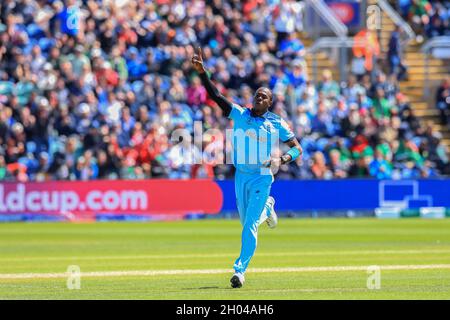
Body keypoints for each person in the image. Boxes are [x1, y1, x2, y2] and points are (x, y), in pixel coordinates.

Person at [191, 47, 302, 288]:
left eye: (263, 96)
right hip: (241, 176)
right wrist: (203, 74)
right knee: (247, 224)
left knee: (250, 226)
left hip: (263, 176)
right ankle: (269, 207)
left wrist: (281, 160)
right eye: (257, 95)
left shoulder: (277, 123)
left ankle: (239, 271)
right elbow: (216, 97)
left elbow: (297, 148)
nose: (258, 98)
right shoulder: (241, 114)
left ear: (270, 102)